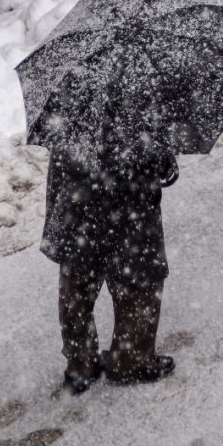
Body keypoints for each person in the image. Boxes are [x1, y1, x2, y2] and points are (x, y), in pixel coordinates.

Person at [41, 132, 179, 395]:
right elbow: (154, 157)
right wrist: (164, 159)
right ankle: (131, 359)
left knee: (78, 279)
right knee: (138, 275)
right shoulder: (139, 114)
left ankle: (80, 364)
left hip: (77, 192)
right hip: (129, 195)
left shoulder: (71, 113)